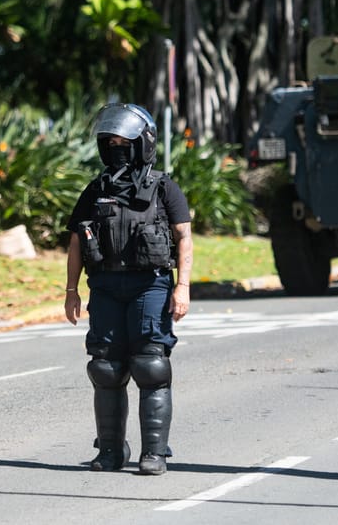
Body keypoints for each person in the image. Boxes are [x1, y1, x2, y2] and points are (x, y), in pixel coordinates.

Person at [63, 103, 194, 476]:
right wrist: (71, 290)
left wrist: (182, 287)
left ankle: (154, 452)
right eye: (111, 141)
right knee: (105, 368)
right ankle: (109, 450)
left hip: (149, 285)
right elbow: (76, 242)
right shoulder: (96, 189)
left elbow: (183, 236)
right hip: (104, 286)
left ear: (143, 143)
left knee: (150, 365)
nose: (118, 147)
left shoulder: (164, 188)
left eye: (125, 141)